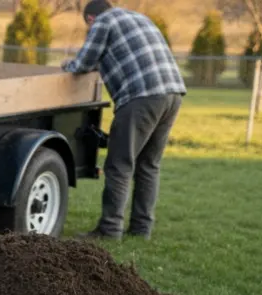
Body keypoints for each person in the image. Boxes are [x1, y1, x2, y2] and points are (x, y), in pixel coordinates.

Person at [63, 0, 186, 240]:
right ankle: (141, 229)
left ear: (90, 18)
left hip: (141, 96)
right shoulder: (139, 18)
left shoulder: (102, 22)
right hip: (172, 94)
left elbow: (83, 63)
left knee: (119, 165)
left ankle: (109, 230)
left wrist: (67, 65)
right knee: (149, 165)